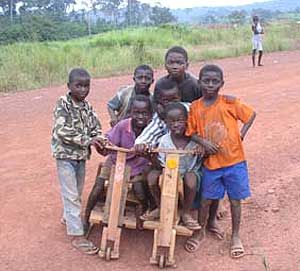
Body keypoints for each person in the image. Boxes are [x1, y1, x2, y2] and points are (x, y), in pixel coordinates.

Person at [185, 64, 256, 257]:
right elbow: (190, 133)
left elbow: (251, 115)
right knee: (206, 199)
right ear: (199, 82)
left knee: (235, 200)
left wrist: (241, 136)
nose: (210, 85)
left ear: (221, 83)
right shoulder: (195, 107)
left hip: (235, 162)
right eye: (206, 81)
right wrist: (204, 143)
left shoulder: (230, 102)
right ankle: (200, 232)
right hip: (212, 164)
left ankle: (235, 236)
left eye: (214, 81)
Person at [51, 68, 107, 255]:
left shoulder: (87, 107)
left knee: (77, 190)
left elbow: (96, 128)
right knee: (71, 194)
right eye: (79, 85)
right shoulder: (63, 104)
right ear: (69, 86)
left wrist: (99, 140)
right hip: (65, 156)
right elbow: (61, 130)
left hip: (81, 157)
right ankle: (77, 235)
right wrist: (87, 140)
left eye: (86, 86)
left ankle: (69, 216)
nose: (83, 90)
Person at [83, 95, 153, 232]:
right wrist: (103, 144)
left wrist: (148, 152)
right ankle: (86, 217)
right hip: (116, 161)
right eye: (136, 113)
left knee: (140, 192)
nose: (140, 117)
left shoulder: (152, 130)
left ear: (150, 114)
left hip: (138, 166)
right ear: (131, 112)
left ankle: (143, 212)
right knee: (99, 186)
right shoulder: (123, 125)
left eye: (144, 113)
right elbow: (108, 140)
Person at [140, 102, 203, 231]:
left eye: (180, 120)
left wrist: (201, 149)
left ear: (187, 120)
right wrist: (152, 156)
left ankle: (186, 212)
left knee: (190, 178)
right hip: (169, 172)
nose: (175, 124)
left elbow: (204, 158)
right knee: (152, 177)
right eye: (171, 121)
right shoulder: (164, 140)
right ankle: (160, 207)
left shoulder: (195, 139)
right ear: (166, 123)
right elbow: (161, 164)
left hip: (190, 173)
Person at [134, 78, 189, 152]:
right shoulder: (160, 117)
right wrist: (141, 145)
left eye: (175, 99)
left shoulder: (190, 110)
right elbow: (148, 135)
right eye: (166, 101)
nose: (171, 104)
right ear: (159, 101)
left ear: (180, 97)